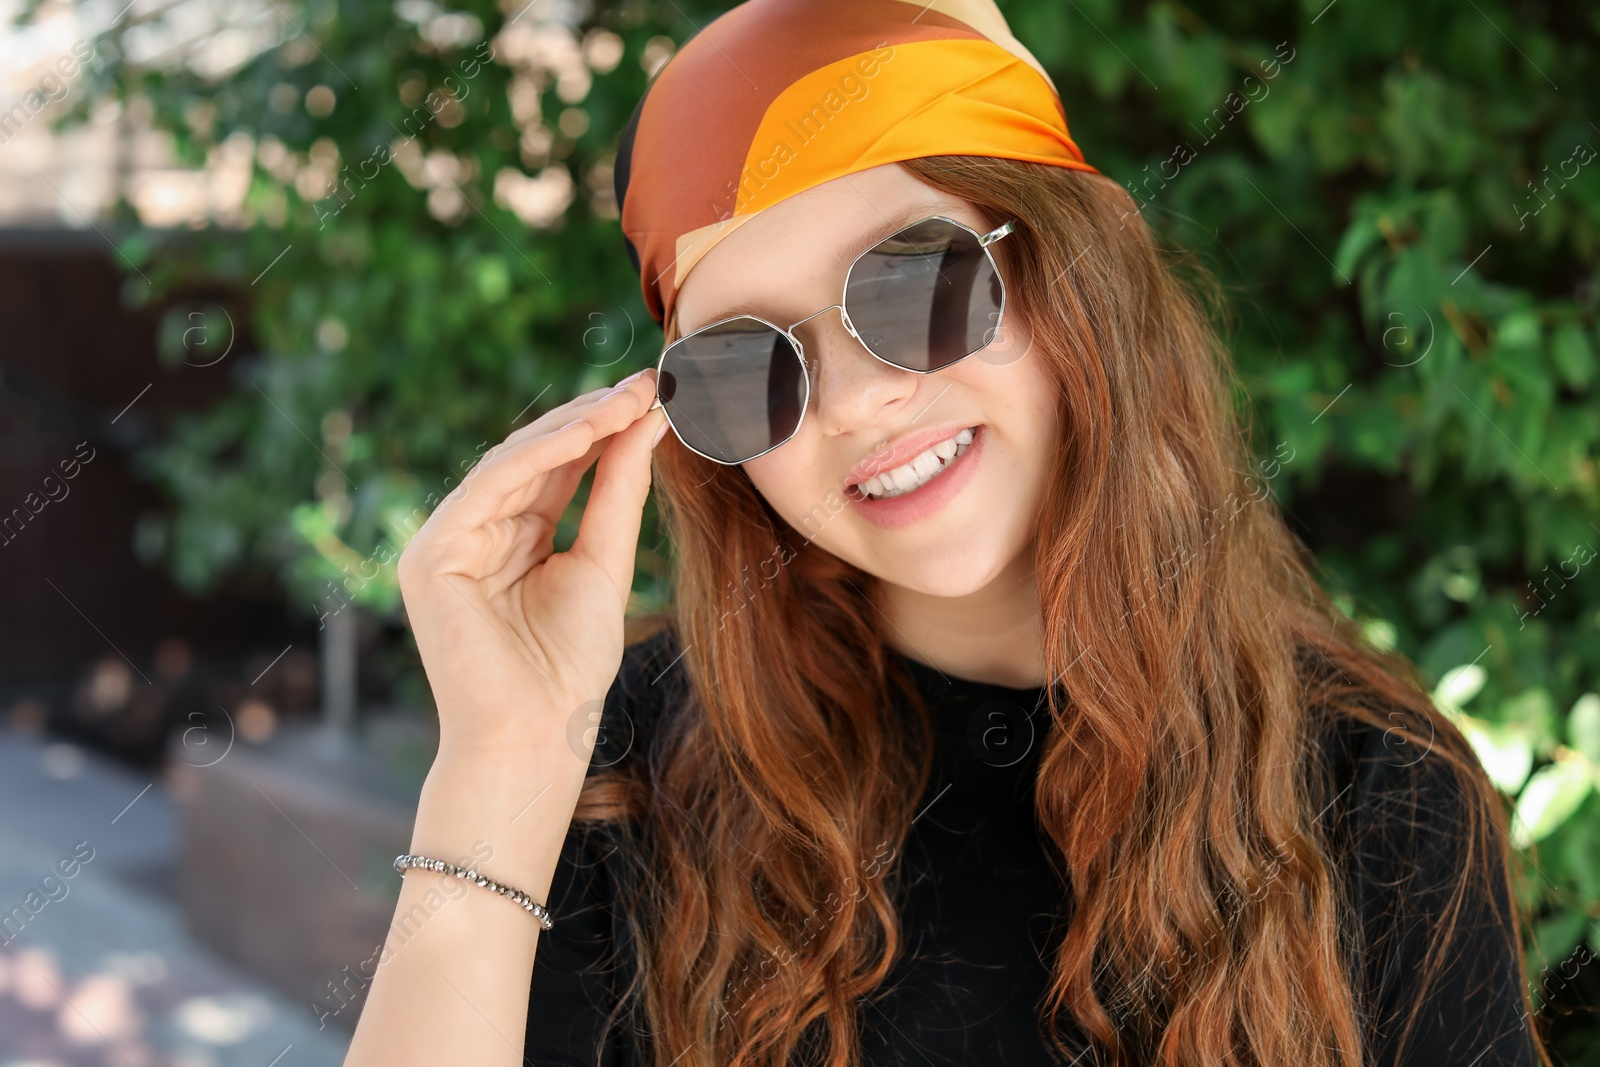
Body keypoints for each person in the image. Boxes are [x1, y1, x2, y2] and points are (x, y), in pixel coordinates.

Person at [344, 1, 1553, 1065]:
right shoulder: (622, 774)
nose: (857, 398)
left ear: (1077, 273)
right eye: (746, 364)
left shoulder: (1375, 791)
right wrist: (498, 769)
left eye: (913, 284)